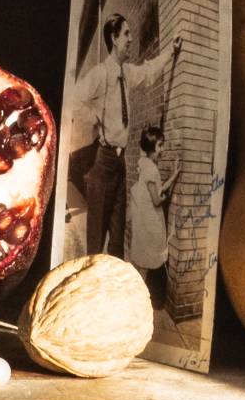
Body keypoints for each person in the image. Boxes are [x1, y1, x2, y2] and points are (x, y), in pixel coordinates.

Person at [72, 15, 183, 256]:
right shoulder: (100, 74)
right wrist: (94, 122)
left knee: (117, 235)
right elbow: (75, 99)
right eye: (126, 34)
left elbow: (149, 69)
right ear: (114, 38)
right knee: (96, 238)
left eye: (131, 34)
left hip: (121, 164)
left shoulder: (127, 73)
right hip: (103, 162)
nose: (131, 39)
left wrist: (170, 52)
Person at [126, 124, 174, 314]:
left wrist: (174, 176)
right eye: (161, 145)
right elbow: (156, 199)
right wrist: (166, 198)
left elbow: (155, 187)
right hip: (151, 219)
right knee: (152, 258)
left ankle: (137, 296)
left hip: (143, 218)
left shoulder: (143, 163)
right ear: (154, 147)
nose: (163, 149)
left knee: (145, 260)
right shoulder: (152, 169)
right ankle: (148, 300)